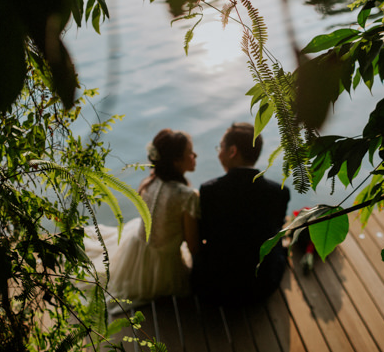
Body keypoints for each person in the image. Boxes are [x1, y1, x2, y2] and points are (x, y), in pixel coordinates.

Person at [84, 129, 200, 310]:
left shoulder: (149, 182)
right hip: (165, 269)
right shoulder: (187, 196)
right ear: (177, 161)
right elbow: (193, 245)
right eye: (190, 153)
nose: (195, 155)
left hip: (137, 253)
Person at [192, 122, 290, 305]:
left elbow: (202, 234)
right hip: (263, 284)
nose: (218, 153)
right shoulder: (279, 192)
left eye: (220, 147)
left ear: (232, 151)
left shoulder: (209, 190)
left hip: (216, 287)